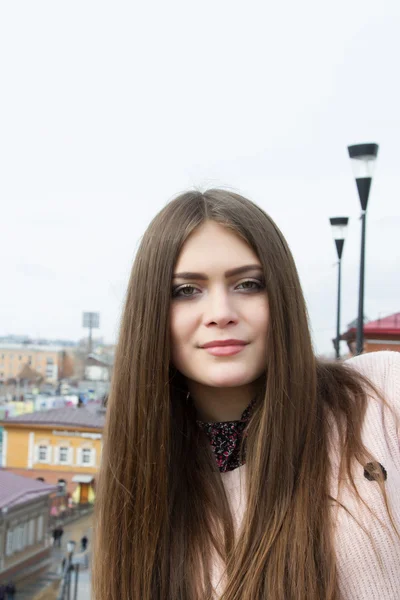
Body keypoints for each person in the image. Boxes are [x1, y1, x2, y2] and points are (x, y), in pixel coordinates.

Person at [93, 189, 400, 600]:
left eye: (249, 284)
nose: (221, 312)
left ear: (283, 297)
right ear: (151, 313)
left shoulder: (381, 394)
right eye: (187, 290)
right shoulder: (145, 480)